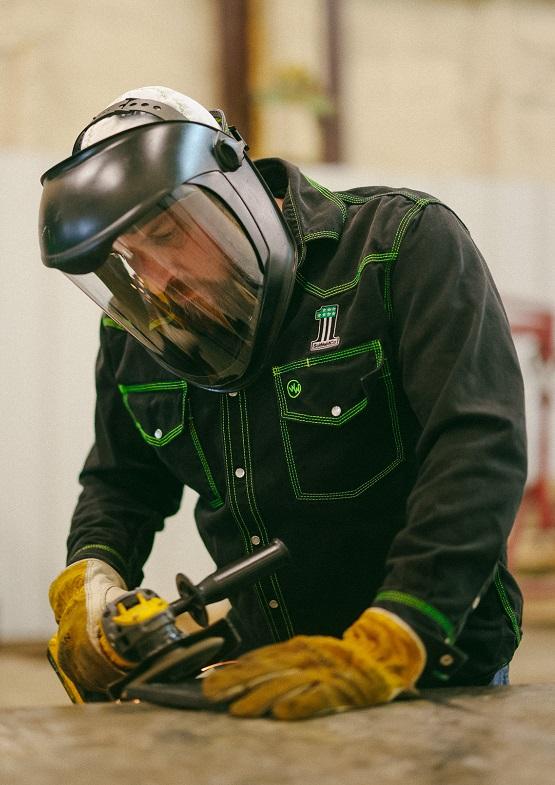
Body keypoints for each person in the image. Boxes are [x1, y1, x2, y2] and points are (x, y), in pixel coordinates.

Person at [40, 86, 527, 720]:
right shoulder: (141, 331)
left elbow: (478, 446)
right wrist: (93, 577)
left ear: (233, 188)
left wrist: (397, 635)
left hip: (435, 670)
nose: (159, 279)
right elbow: (122, 481)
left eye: (167, 233)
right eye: (131, 258)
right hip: (269, 674)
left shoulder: (399, 246)